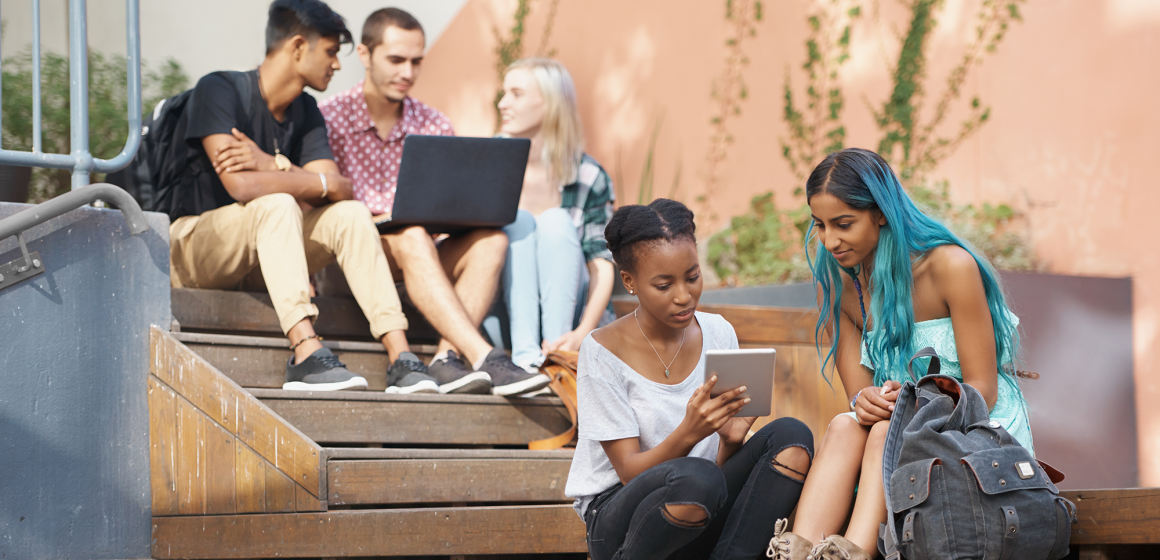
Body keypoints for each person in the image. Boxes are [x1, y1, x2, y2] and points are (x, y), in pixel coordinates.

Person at [766, 148, 1033, 560]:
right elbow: (858, 397)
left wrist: (909, 408)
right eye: (819, 225)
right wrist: (866, 400)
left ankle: (850, 553)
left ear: (881, 213)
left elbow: (984, 390)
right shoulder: (837, 279)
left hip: (973, 427)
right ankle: (797, 552)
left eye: (843, 224)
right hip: (893, 429)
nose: (829, 241)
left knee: (881, 433)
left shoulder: (949, 266)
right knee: (843, 426)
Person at [166, 0, 430, 392]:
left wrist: (273, 165)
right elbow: (240, 187)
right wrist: (298, 177)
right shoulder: (219, 89)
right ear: (296, 47)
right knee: (277, 203)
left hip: (263, 252)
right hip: (194, 249)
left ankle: (400, 355)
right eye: (330, 52)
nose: (337, 65)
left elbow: (340, 188)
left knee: (352, 213)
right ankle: (306, 352)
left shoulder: (306, 110)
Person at [564, 199, 814, 560]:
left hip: (699, 505)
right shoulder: (602, 350)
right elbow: (629, 472)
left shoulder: (717, 331)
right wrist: (690, 432)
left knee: (792, 436)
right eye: (664, 285)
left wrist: (729, 441)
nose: (684, 296)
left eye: (692, 277)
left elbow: (718, 472)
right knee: (697, 478)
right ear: (629, 281)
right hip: (618, 520)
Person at [319, 8, 547, 396]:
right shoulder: (327, 119)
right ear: (364, 54)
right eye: (396, 60)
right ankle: (484, 354)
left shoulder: (434, 124)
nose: (407, 72)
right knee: (411, 234)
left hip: (421, 257)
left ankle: (446, 358)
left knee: (491, 239)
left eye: (416, 61)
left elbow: (450, 205)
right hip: (351, 264)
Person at [496, 58, 616, 373]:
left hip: (569, 317)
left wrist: (580, 334)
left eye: (516, 94)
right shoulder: (489, 161)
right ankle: (524, 357)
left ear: (549, 104)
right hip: (502, 311)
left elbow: (602, 265)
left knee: (555, 221)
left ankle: (556, 356)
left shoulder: (588, 174)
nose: (502, 103)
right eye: (504, 93)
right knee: (520, 221)